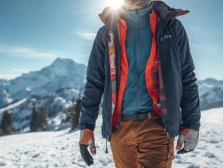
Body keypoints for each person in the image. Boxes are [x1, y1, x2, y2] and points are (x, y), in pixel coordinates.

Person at [79, 0, 201, 167]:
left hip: (157, 126)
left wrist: (191, 123)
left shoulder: (171, 27)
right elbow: (94, 82)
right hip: (119, 129)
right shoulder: (106, 32)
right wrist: (86, 126)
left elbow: (187, 77)